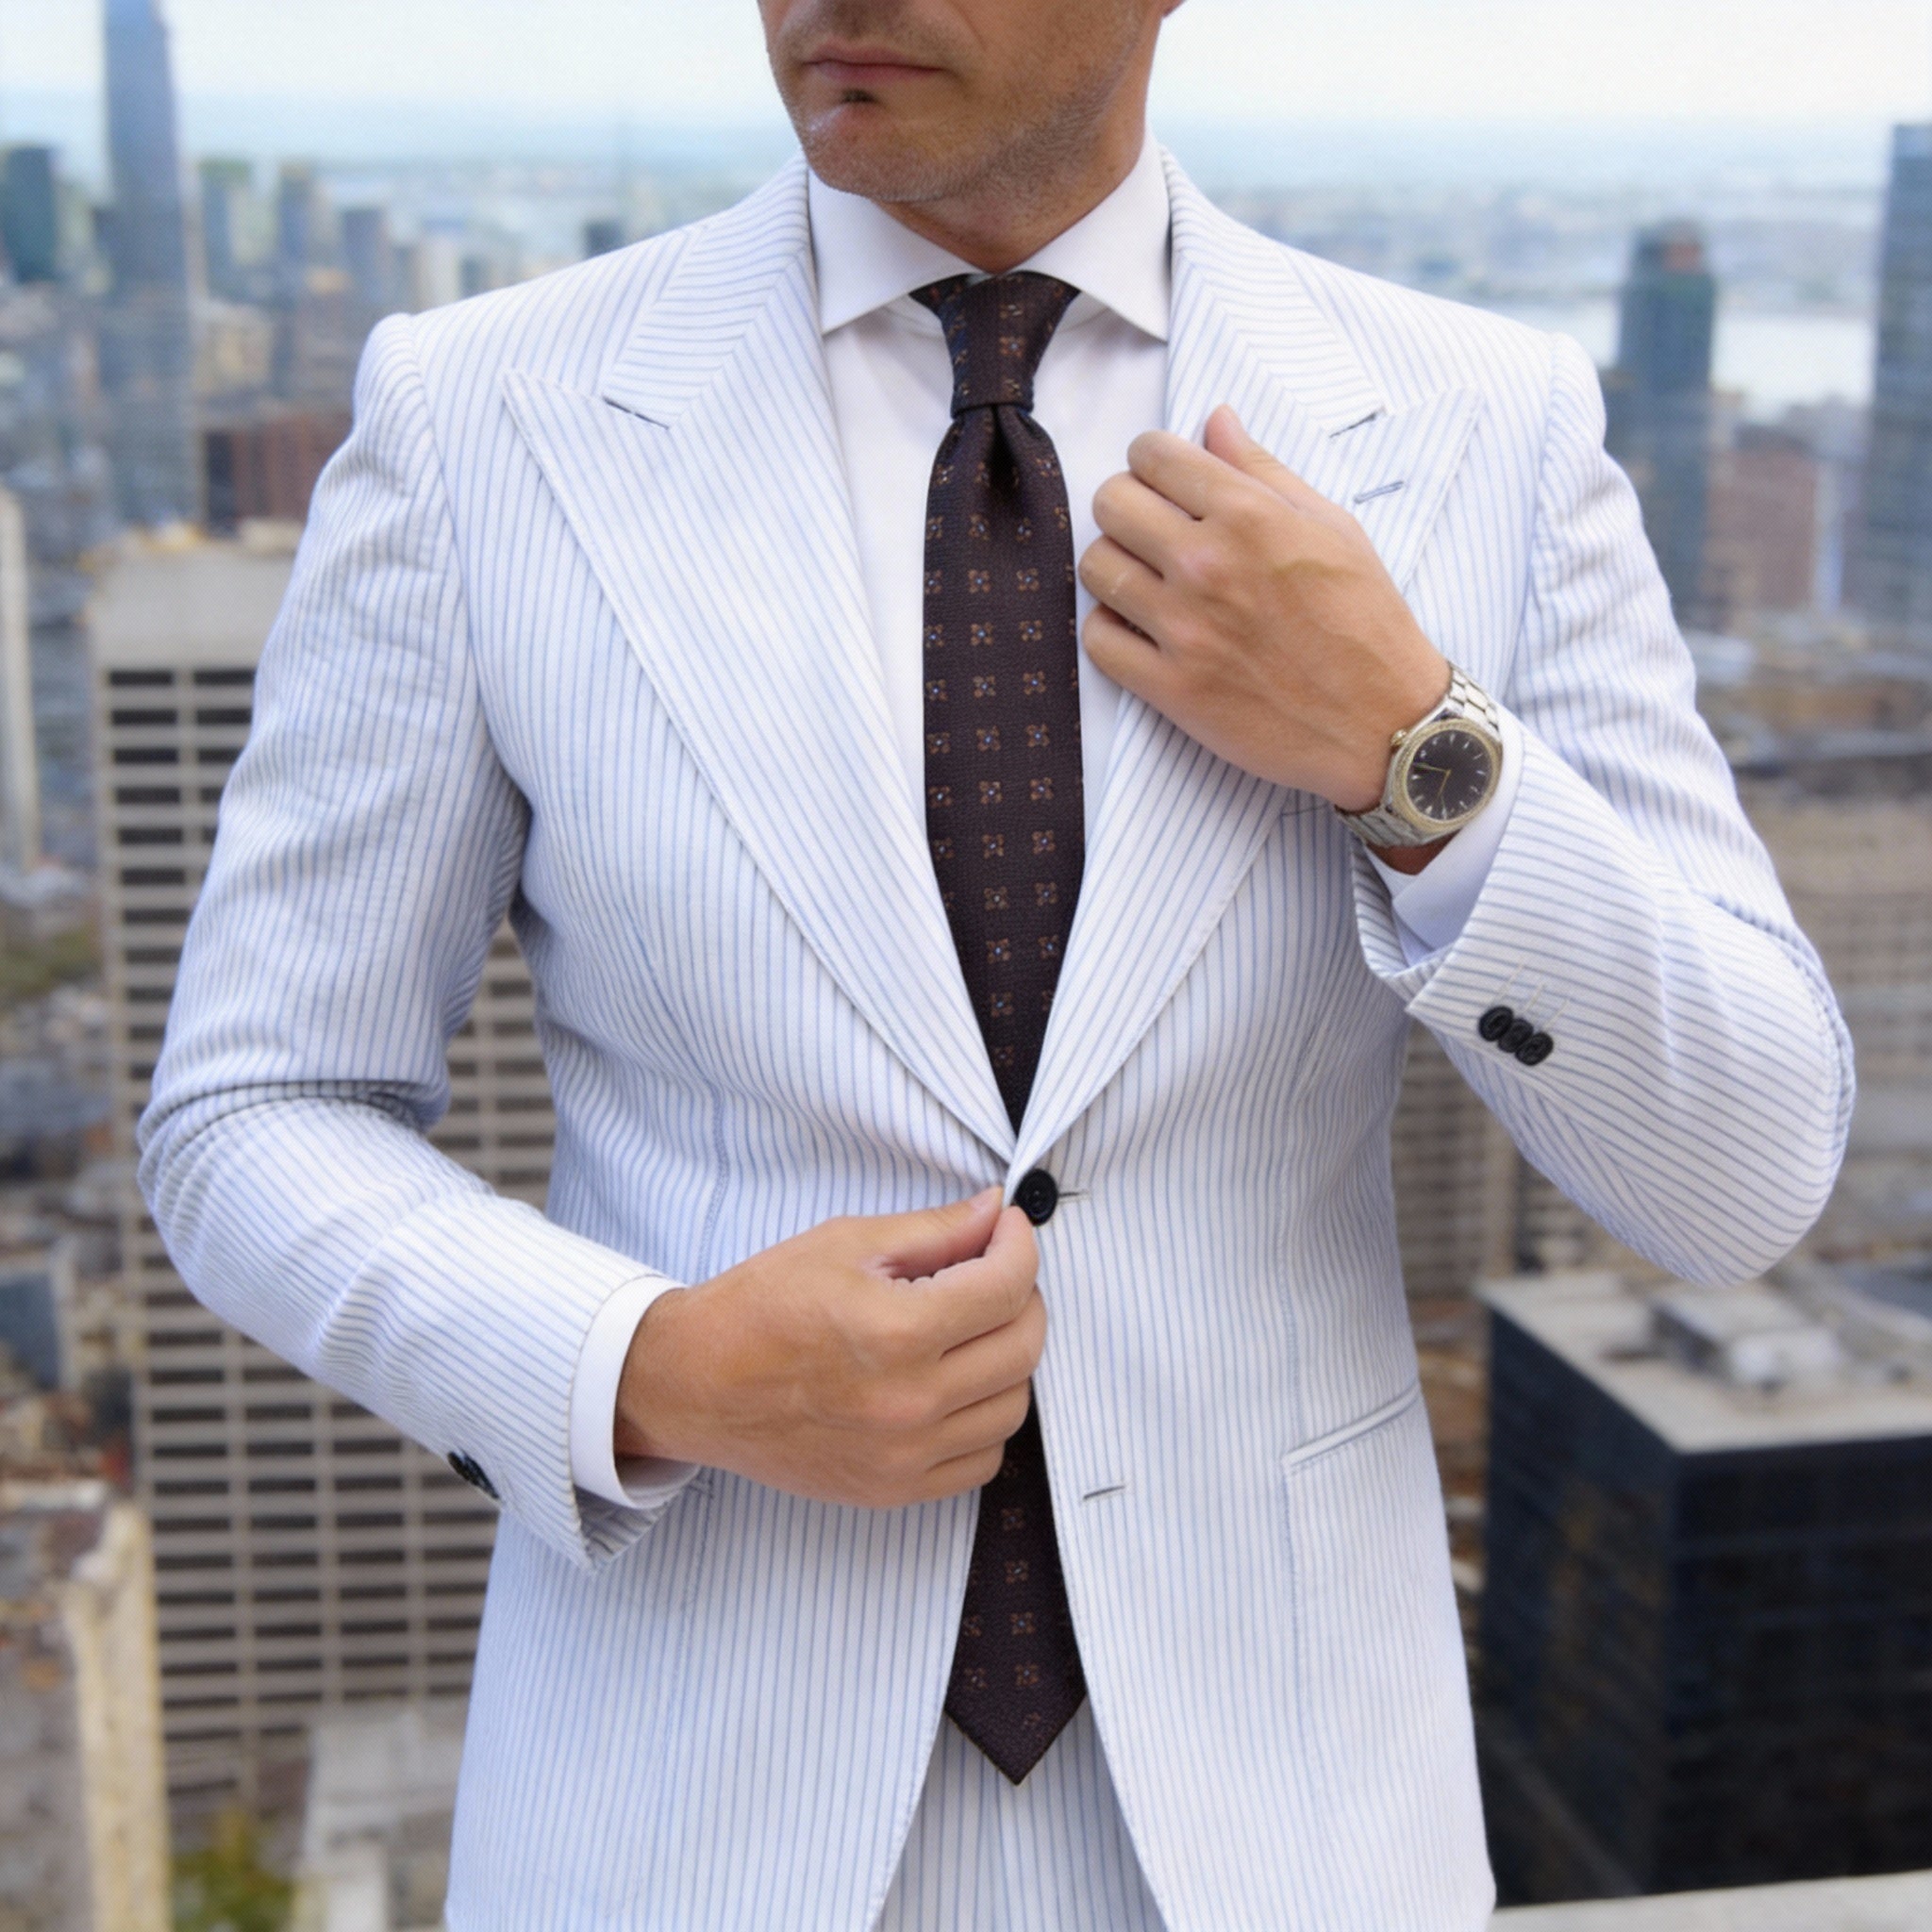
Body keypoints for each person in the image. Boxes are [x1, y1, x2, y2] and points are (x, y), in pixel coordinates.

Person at [138, 2, 1854, 1926]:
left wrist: (1414, 749)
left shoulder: (1482, 424)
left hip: (1291, 1826)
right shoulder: (481, 417)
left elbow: (1744, 1168)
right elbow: (250, 1110)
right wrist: (657, 1365)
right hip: (688, 1811)